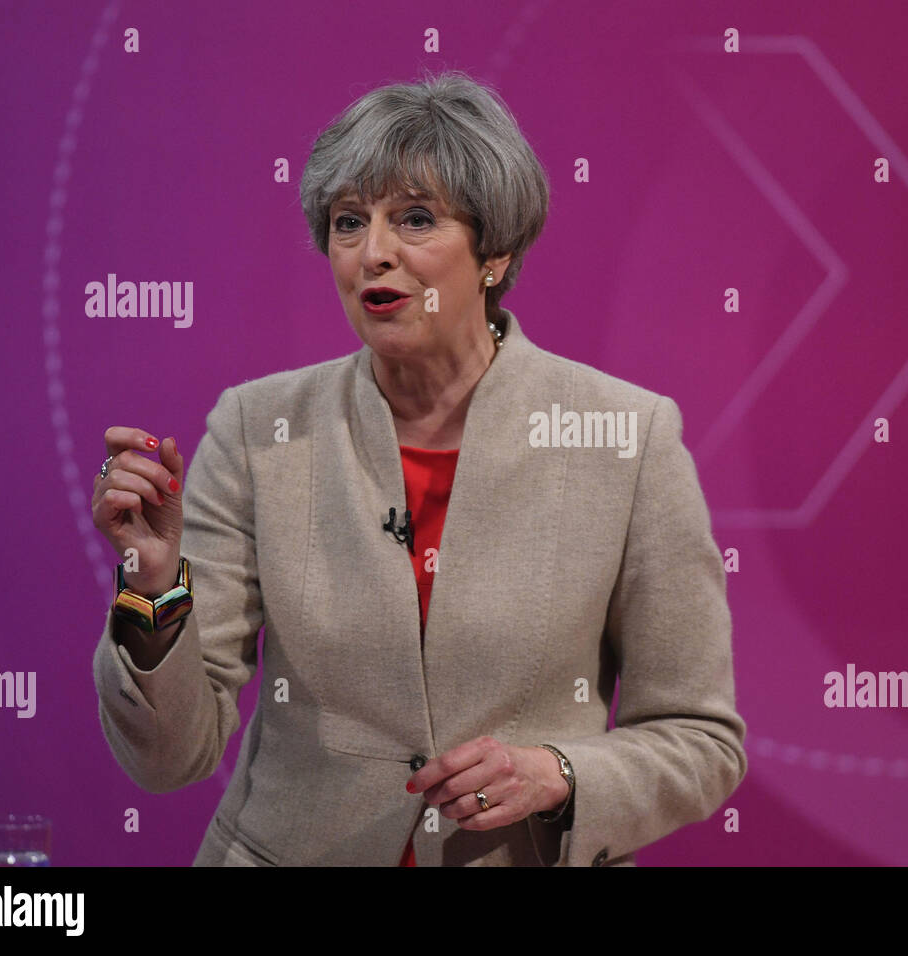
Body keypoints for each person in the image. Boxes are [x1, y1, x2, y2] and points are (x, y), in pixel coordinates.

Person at [90, 69, 746, 867]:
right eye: (347, 223)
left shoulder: (626, 437)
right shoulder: (259, 430)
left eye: (415, 219)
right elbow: (168, 758)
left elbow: (701, 737)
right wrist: (154, 584)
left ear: (494, 252)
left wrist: (560, 773)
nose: (374, 254)